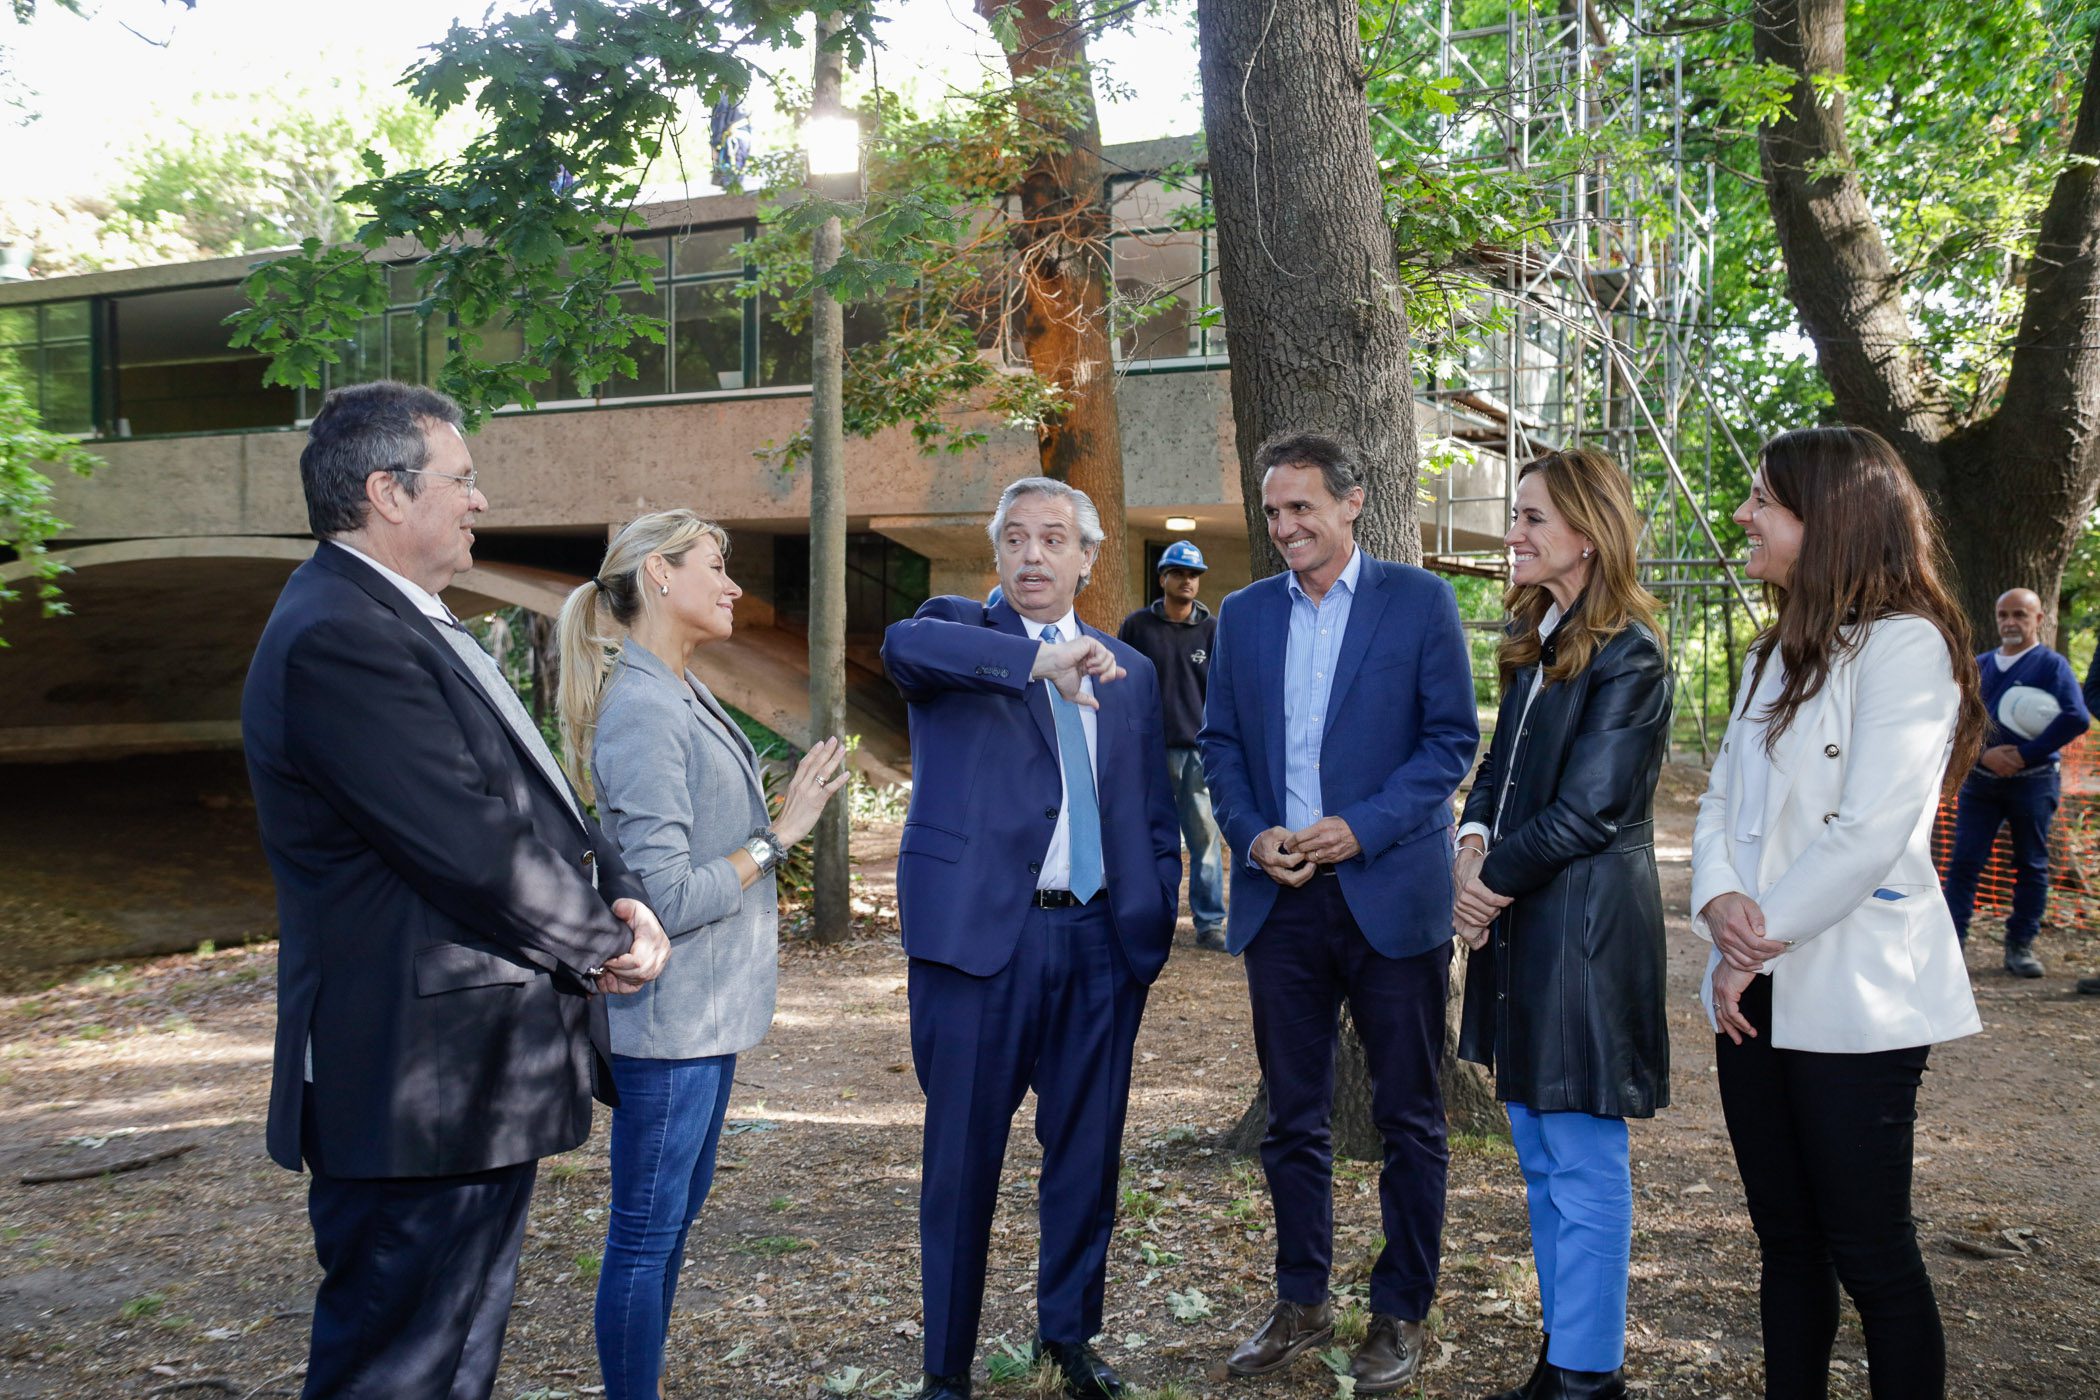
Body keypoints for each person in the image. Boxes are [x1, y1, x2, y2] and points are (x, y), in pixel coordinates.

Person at [240, 381, 672, 1400]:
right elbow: (468, 842)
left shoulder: (399, 618)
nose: (479, 501)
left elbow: (534, 798)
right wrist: (604, 941)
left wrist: (621, 886)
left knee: (458, 1357)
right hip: (410, 1087)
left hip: (466, 1084)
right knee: (398, 1367)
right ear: (388, 492)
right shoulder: (337, 637)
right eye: (463, 480)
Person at [1690, 425, 1985, 1400]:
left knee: (1871, 1249)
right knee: (1785, 1242)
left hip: (1853, 992)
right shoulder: (1775, 649)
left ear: (1833, 521)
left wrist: (1749, 944)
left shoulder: (1910, 646)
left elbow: (1866, 831)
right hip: (1754, 983)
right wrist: (1720, 900)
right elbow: (1723, 800)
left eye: (1763, 500)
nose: (1743, 515)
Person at [880, 476, 1181, 1400]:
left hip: (1099, 943)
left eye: (1055, 539)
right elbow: (905, 646)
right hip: (980, 947)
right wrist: (1035, 664)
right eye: (1016, 539)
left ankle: (1070, 1337)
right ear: (998, 553)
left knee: (1087, 1156)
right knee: (962, 1158)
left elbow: (1151, 813)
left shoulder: (1128, 676)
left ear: (1090, 558)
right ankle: (947, 1369)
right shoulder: (957, 636)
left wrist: (1152, 917)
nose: (1033, 556)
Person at [1200, 432, 1479, 1395]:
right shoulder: (1240, 616)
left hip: (1392, 897)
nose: (1285, 529)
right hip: (1279, 906)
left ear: (1352, 503)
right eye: (1273, 513)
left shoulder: (1420, 602)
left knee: (1409, 1117)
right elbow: (1220, 745)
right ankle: (1300, 1299)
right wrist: (1250, 834)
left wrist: (1360, 828)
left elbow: (1450, 744)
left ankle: (1400, 1312)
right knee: (1293, 1119)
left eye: (1301, 509)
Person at [554, 510, 850, 1400]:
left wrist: (767, 833)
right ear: (656, 576)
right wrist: (779, 837)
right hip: (668, 1028)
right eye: (715, 568)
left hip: (706, 1020)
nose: (732, 586)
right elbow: (668, 898)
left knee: (670, 1226)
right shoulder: (643, 705)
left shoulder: (680, 684)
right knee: (645, 1237)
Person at [1450, 448, 1672, 1400]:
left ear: (1588, 533)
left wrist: (1483, 885)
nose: (1515, 533)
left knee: (1581, 1152)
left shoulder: (1632, 654)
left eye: (1534, 518)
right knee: (1538, 1147)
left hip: (1582, 933)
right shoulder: (1537, 637)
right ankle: (1567, 1354)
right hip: (1525, 923)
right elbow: (1500, 773)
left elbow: (1588, 810)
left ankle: (1589, 1375)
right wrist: (1467, 843)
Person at [1938, 587, 2090, 978]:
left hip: (2034, 781)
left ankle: (2020, 945)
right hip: (1981, 781)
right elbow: (1959, 718)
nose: (2010, 622)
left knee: (2032, 863)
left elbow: (2076, 717)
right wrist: (1983, 754)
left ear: (2039, 619)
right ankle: (1950, 944)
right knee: (1964, 862)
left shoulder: (2051, 666)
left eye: (2020, 615)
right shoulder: (1980, 664)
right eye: (2004, 614)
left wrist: (2025, 754)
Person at [1118, 539, 1228, 950]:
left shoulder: (1213, 630)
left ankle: (1210, 924)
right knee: (1148, 840)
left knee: (1205, 842)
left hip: (1199, 753)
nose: (1187, 581)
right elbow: (1122, 687)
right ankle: (1150, 918)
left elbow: (1224, 693)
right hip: (1149, 753)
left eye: (1194, 575)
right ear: (1162, 577)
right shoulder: (1137, 627)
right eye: (1179, 573)